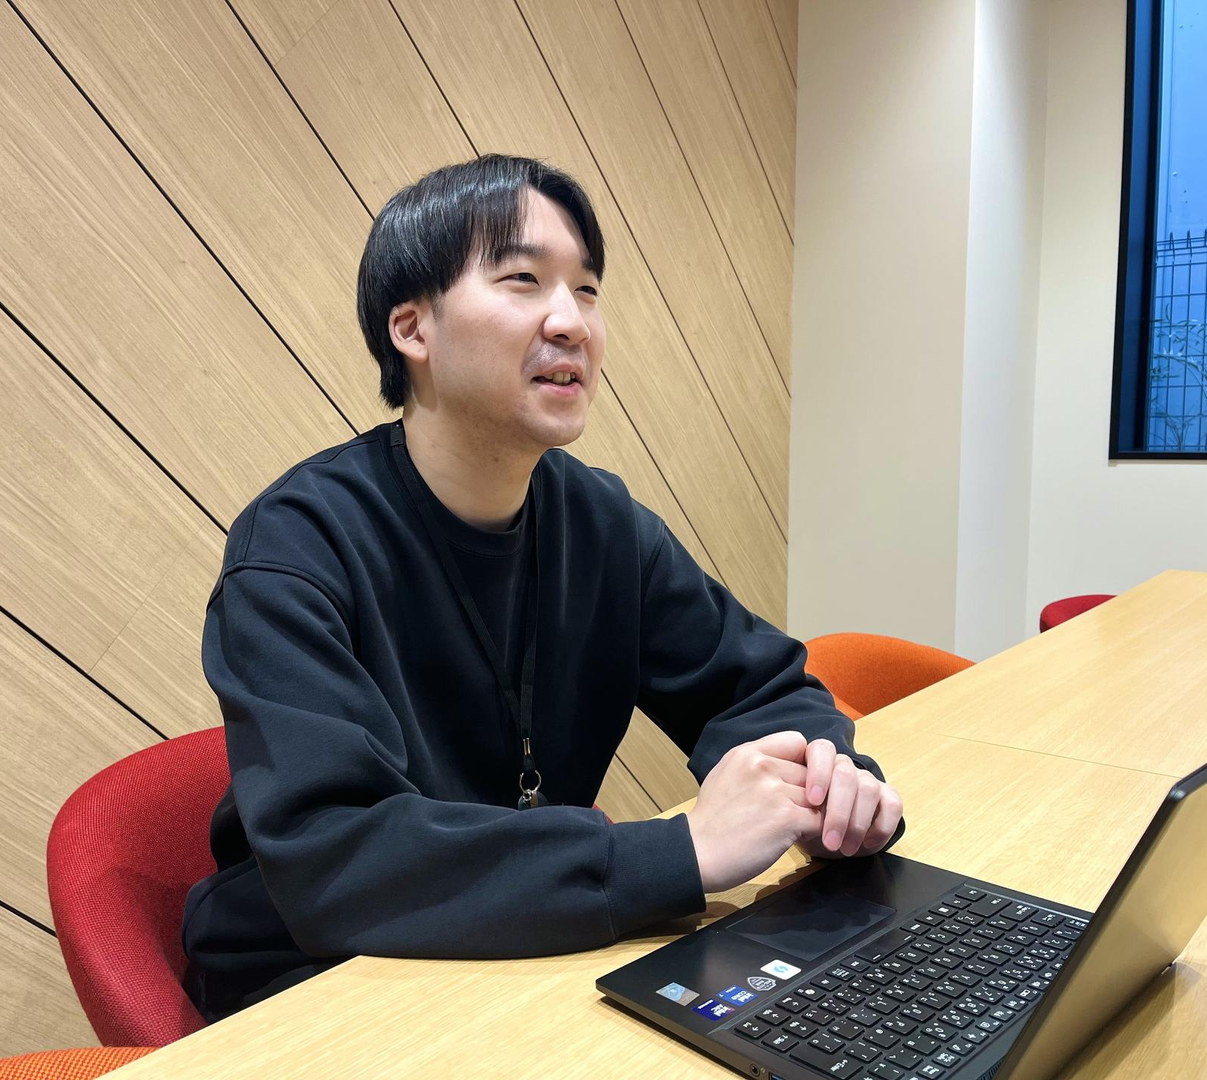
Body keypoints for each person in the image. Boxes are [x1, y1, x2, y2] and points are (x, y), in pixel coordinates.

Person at [180, 154, 903, 1023]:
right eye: (524, 281)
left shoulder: (602, 523)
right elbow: (336, 859)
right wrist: (681, 851)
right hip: (319, 979)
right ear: (412, 329)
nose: (572, 322)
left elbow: (757, 684)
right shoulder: (295, 548)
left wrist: (829, 784)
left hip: (520, 947)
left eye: (587, 290)